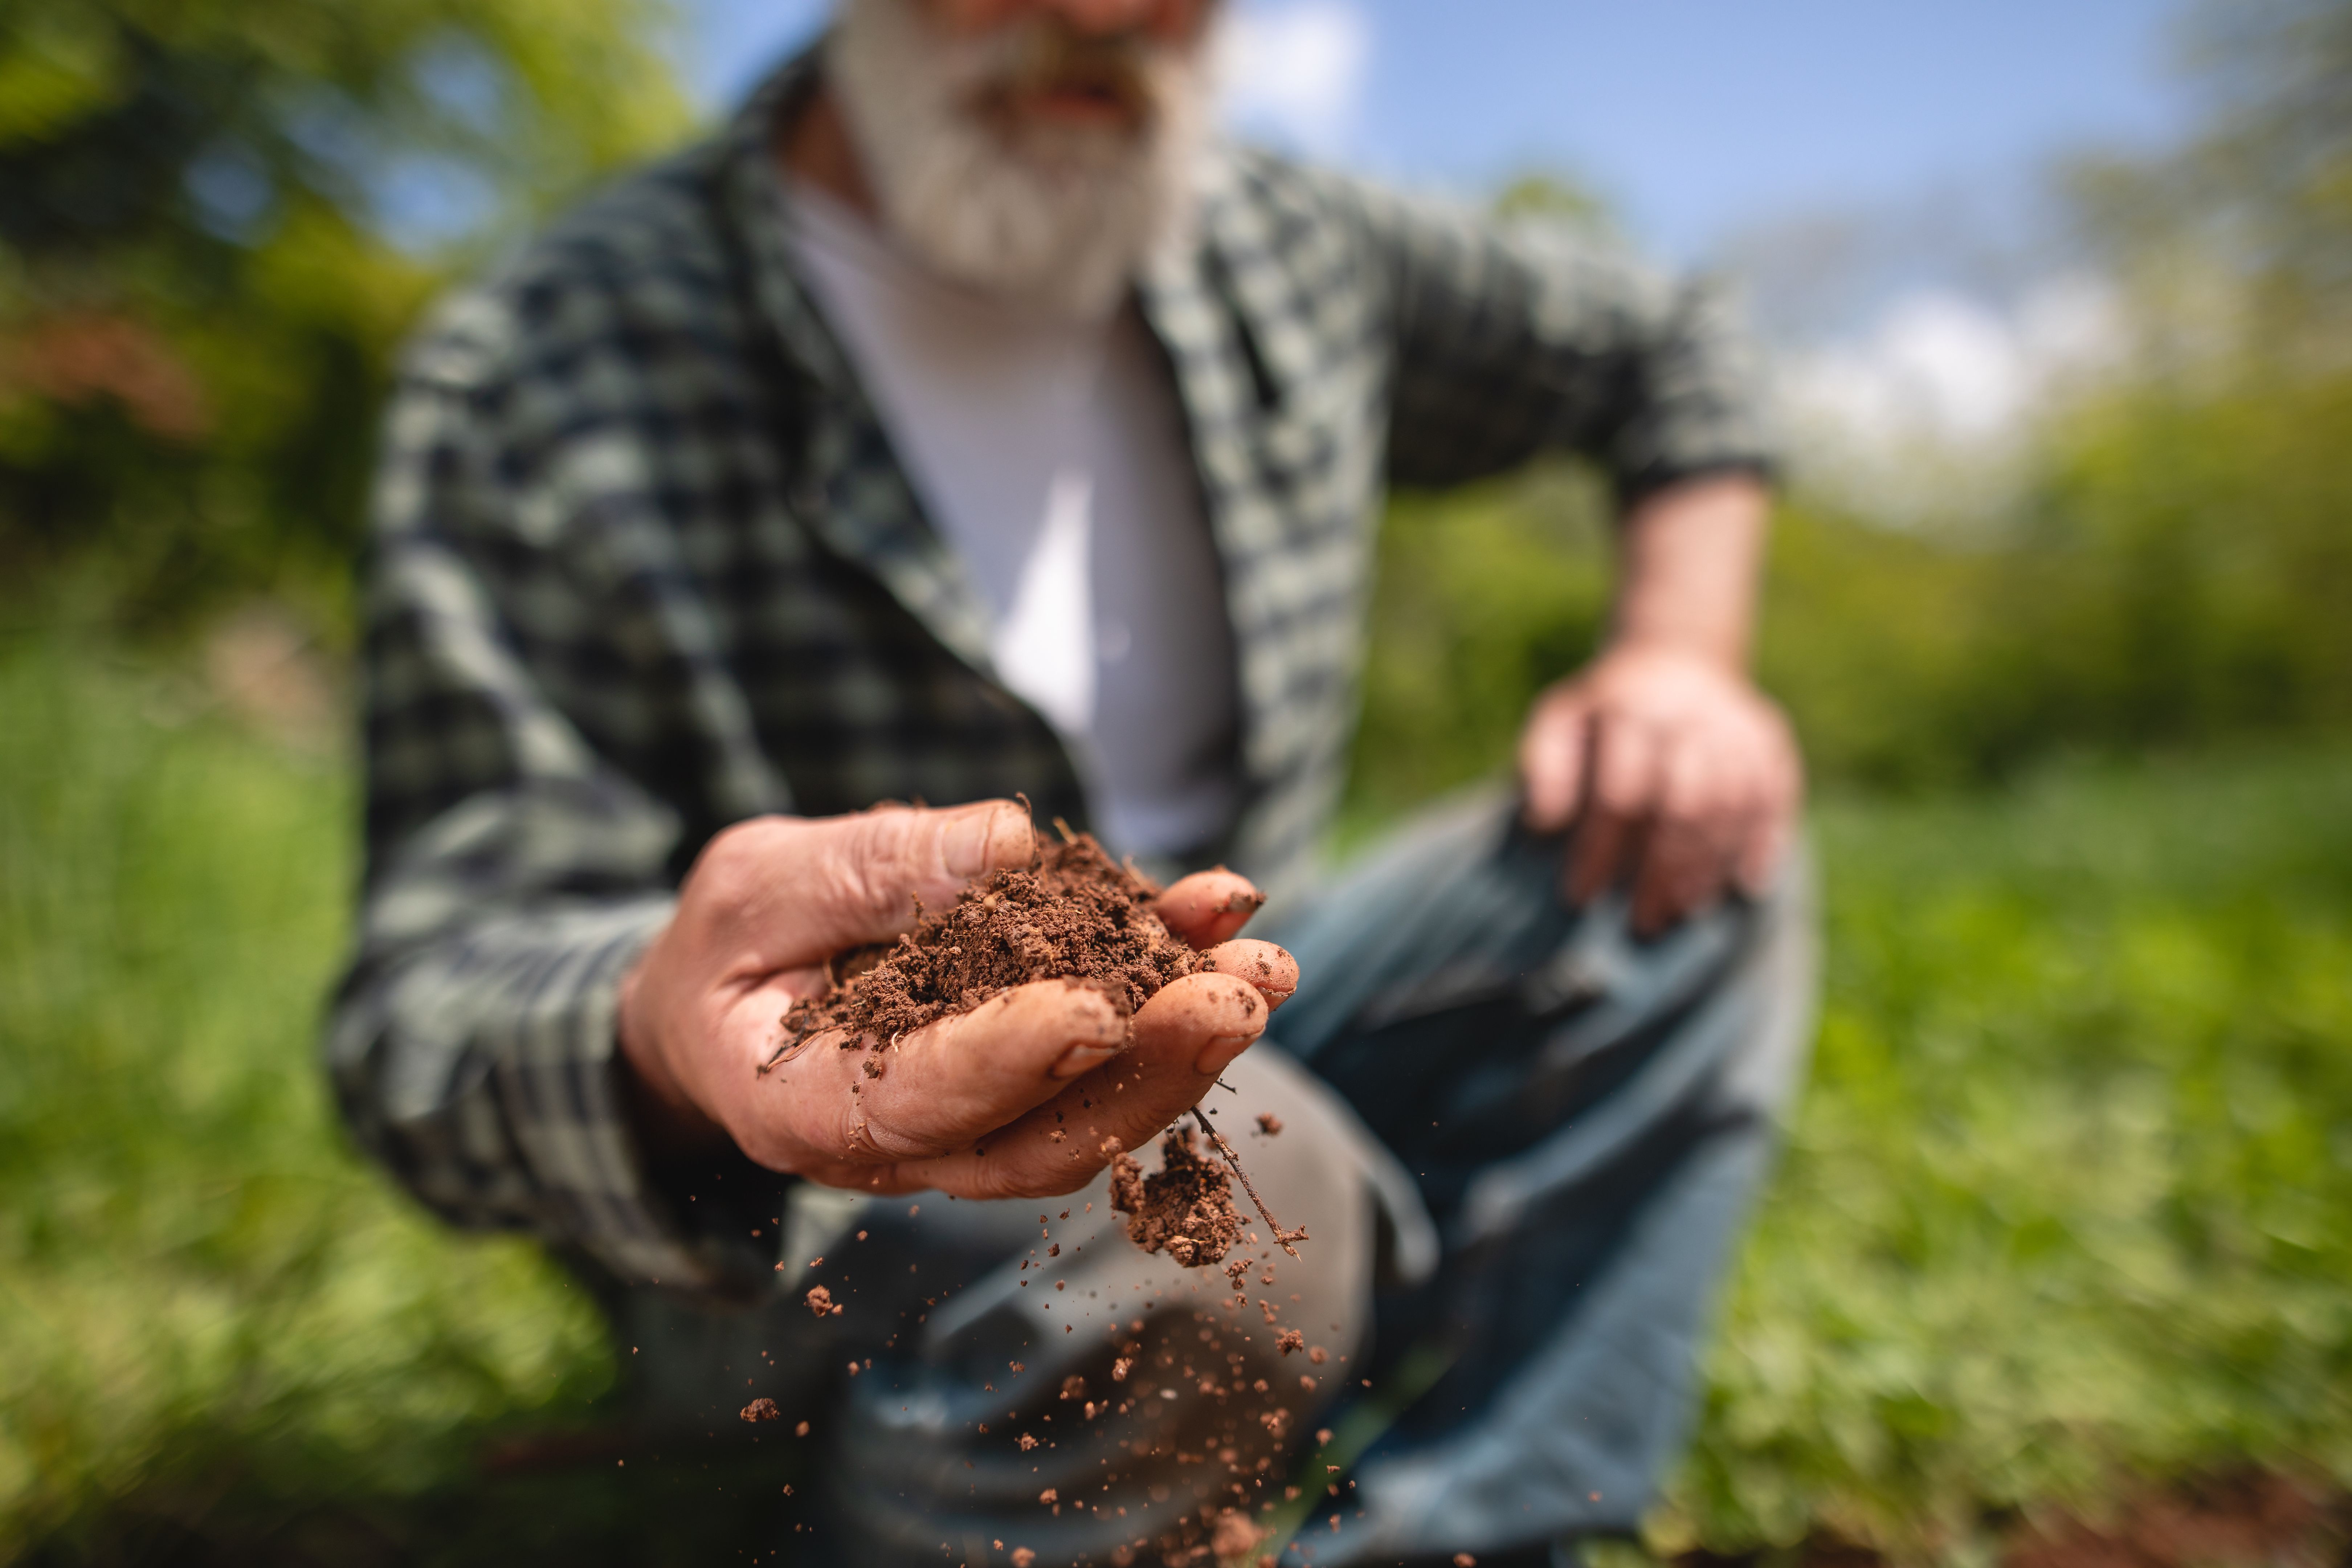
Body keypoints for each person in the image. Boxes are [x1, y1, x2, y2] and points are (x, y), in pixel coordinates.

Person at [328, 0, 1816, 1561]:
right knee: (1215, 1191)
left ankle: (1473, 1530)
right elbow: (425, 1010)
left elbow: (1675, 345)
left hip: (1260, 1002)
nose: (1106, 17)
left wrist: (1679, 656)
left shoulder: (1282, 248)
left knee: (1689, 853)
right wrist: (661, 1017)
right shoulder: (550, 368)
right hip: (803, 1195)